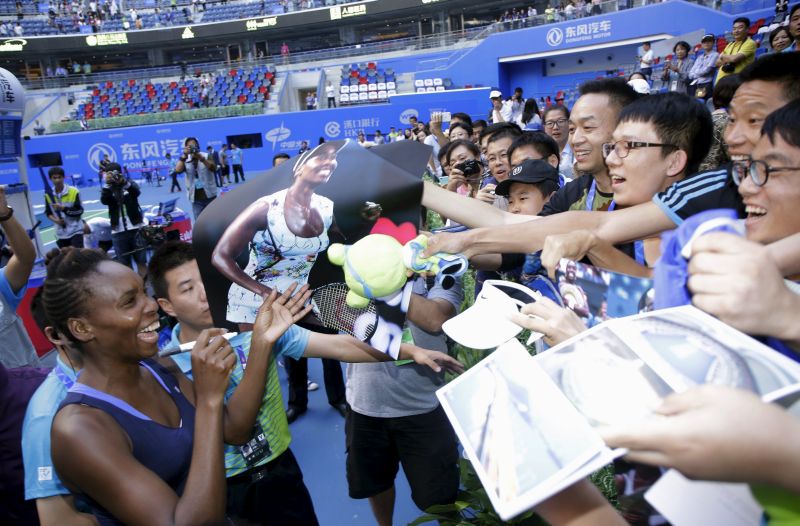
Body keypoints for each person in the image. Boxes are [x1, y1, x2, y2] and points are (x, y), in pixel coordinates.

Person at [148, 241, 461, 524]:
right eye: (187, 289)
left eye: (205, 281)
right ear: (167, 305)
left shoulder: (254, 327)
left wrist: (408, 351)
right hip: (226, 487)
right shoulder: (167, 369)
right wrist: (262, 344)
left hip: (281, 468)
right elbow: (234, 430)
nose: (203, 295)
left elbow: (343, 346)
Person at [420, 53, 800, 276]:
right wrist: (435, 208)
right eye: (732, 119)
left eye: (589, 128)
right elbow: (514, 225)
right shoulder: (584, 196)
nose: (735, 136)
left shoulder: (712, 197)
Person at [42, 247, 299, 526]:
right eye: (129, 302)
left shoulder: (158, 367)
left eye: (144, 292)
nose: (151, 305)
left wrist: (261, 341)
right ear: (81, 328)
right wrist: (209, 399)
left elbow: (234, 431)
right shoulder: (79, 430)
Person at [346, 273, 464, 526]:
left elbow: (436, 319)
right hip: (365, 403)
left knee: (441, 493)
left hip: (424, 405)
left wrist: (379, 275)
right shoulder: (351, 269)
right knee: (376, 482)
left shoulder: (441, 268)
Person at [212, 142, 343, 325]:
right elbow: (220, 256)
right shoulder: (264, 207)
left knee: (323, 340)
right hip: (255, 303)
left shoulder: (326, 206)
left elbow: (338, 244)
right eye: (321, 157)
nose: (329, 161)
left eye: (333, 157)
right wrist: (267, 293)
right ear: (298, 168)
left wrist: (366, 223)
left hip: (297, 301)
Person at [100, 162, 148, 278]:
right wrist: (107, 185)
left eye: (114, 174)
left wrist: (124, 183)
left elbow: (136, 192)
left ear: (120, 173)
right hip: (118, 230)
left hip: (136, 227)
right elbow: (104, 201)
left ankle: (144, 285)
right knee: (125, 265)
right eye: (109, 174)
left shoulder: (129, 183)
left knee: (141, 261)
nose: (113, 176)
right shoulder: (107, 189)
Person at [698, 74, 741, 172]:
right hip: (719, 175)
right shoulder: (729, 122)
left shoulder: (706, 117)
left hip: (699, 174)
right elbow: (735, 156)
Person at [175, 137, 217, 219]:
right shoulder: (185, 159)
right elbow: (177, 170)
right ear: (186, 148)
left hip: (210, 194)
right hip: (195, 197)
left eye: (193, 145)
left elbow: (213, 168)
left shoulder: (206, 155)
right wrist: (184, 156)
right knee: (199, 221)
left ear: (197, 145)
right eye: (189, 146)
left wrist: (201, 158)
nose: (192, 148)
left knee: (214, 218)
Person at [44, 166, 85, 249]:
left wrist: (63, 209)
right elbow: (48, 213)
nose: (57, 180)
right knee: (66, 257)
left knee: (77, 255)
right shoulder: (48, 194)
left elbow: (79, 211)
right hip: (60, 233)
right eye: (54, 178)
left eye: (59, 177)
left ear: (64, 177)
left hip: (76, 231)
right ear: (50, 179)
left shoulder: (74, 191)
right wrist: (56, 221)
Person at [715, 17, 757, 82]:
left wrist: (722, 56)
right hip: (720, 82)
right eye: (734, 29)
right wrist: (728, 58)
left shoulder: (750, 43)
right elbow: (717, 63)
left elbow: (734, 59)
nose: (736, 31)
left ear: (747, 29)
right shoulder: (730, 44)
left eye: (740, 28)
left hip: (736, 83)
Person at [542, 104, 574, 183]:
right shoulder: (540, 153)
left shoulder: (578, 149)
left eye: (560, 121)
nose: (555, 127)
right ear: (544, 127)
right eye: (550, 123)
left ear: (569, 123)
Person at [688, 34, 719, 100]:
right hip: (697, 84)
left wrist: (695, 73)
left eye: (709, 41)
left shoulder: (715, 55)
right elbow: (690, 73)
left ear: (713, 43)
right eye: (704, 42)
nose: (706, 43)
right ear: (701, 44)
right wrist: (696, 74)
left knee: (702, 102)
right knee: (697, 102)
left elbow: (706, 70)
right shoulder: (699, 57)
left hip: (706, 84)